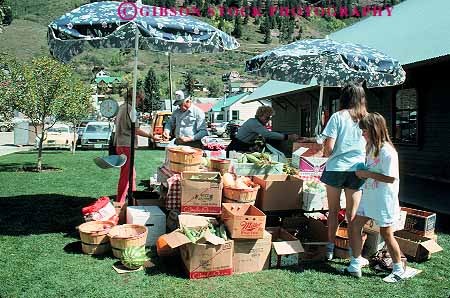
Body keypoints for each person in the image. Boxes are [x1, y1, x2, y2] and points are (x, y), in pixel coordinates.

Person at [344, 112, 406, 282]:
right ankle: (355, 264)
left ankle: (398, 269)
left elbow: (391, 178)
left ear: (374, 129)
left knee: (387, 234)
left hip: (384, 199)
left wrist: (366, 173)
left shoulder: (388, 152)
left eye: (364, 131)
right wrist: (362, 172)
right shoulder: (370, 147)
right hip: (370, 196)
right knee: (355, 225)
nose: (362, 134)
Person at [319, 83, 367, 261]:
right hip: (358, 170)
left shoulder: (337, 117)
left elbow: (329, 149)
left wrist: (323, 147)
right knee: (352, 215)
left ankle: (330, 248)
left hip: (336, 168)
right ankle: (355, 256)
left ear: (344, 98)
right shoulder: (367, 118)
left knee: (333, 211)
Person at [114, 86, 159, 203]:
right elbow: (136, 129)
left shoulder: (122, 107)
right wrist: (151, 136)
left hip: (121, 144)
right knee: (126, 175)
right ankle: (120, 201)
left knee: (131, 174)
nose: (140, 102)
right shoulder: (130, 109)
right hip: (126, 145)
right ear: (135, 98)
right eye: (140, 99)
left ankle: (133, 197)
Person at [226, 106, 298, 156]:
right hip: (236, 148)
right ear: (260, 115)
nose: (268, 120)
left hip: (241, 147)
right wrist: (288, 137)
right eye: (267, 117)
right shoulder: (254, 123)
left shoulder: (255, 123)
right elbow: (267, 134)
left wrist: (253, 146)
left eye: (269, 118)